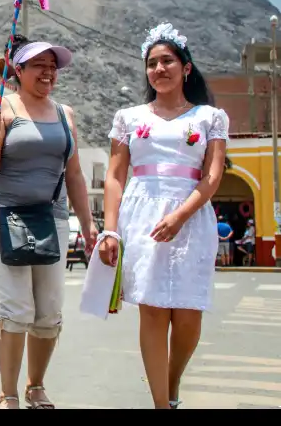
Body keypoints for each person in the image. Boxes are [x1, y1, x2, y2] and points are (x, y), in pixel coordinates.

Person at [99, 23, 228, 410]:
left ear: (185, 67)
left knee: (188, 316)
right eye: (152, 63)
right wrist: (110, 230)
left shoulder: (210, 117)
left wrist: (181, 215)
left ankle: (171, 386)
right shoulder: (128, 117)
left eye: (167, 61)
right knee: (153, 311)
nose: (159, 69)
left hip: (191, 215)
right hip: (142, 216)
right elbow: (115, 176)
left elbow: (213, 175)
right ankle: (160, 404)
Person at [0, 35, 96, 409]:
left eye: (53, 67)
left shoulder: (65, 114)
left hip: (52, 219)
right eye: (39, 65)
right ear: (19, 69)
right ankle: (8, 393)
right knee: (15, 307)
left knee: (49, 310)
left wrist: (88, 225)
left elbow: (74, 174)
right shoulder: (2, 107)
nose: (48, 73)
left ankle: (36, 386)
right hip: (5, 217)